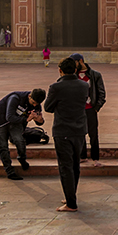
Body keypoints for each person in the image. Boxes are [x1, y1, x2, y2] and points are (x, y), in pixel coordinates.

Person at [46, 63, 91, 212]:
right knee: (75, 165)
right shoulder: (84, 86)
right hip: (79, 130)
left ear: (60, 70)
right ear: (76, 70)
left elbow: (48, 107)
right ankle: (70, 195)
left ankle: (71, 203)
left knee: (65, 166)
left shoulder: (56, 87)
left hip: (62, 130)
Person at [0, 86, 47, 178]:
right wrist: (27, 119)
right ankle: (9, 171)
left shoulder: (36, 104)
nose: (35, 105)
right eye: (33, 102)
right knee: (3, 146)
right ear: (29, 96)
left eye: (37, 104)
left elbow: (39, 121)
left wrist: (40, 120)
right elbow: (10, 117)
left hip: (15, 121)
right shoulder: (15, 98)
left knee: (19, 140)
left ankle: (22, 159)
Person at [74, 54, 107, 162]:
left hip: (90, 108)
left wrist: (97, 107)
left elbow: (101, 92)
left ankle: (95, 157)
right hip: (78, 109)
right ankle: (82, 156)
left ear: (80, 61)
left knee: (93, 134)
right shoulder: (73, 76)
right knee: (80, 133)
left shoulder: (94, 75)